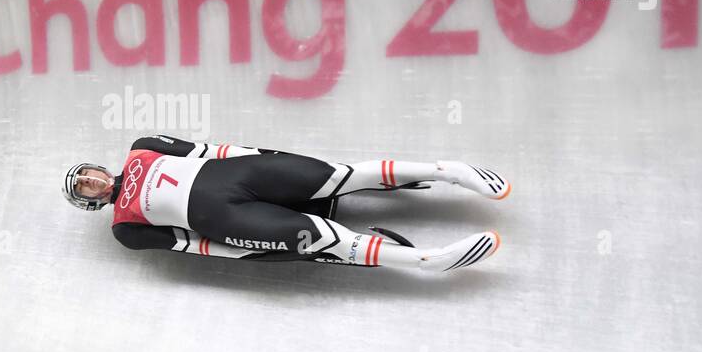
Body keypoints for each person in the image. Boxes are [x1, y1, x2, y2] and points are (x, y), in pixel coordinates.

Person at [62, 135, 510, 273]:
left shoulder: (142, 147)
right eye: (84, 188)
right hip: (225, 218)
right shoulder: (124, 228)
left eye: (86, 173)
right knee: (321, 238)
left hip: (238, 173)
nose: (91, 181)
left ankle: (448, 170)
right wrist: (241, 250)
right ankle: (427, 260)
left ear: (95, 166)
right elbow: (186, 244)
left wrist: (260, 155)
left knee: (340, 175)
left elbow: (207, 149)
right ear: (91, 201)